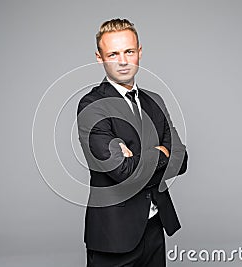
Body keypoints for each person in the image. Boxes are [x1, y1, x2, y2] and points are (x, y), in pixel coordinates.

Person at [77, 18, 188, 267]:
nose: (123, 61)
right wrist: (160, 151)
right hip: (113, 236)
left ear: (139, 52)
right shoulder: (91, 105)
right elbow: (121, 171)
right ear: (99, 57)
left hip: (154, 228)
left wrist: (138, 157)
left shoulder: (155, 101)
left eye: (128, 51)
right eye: (113, 53)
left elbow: (181, 160)